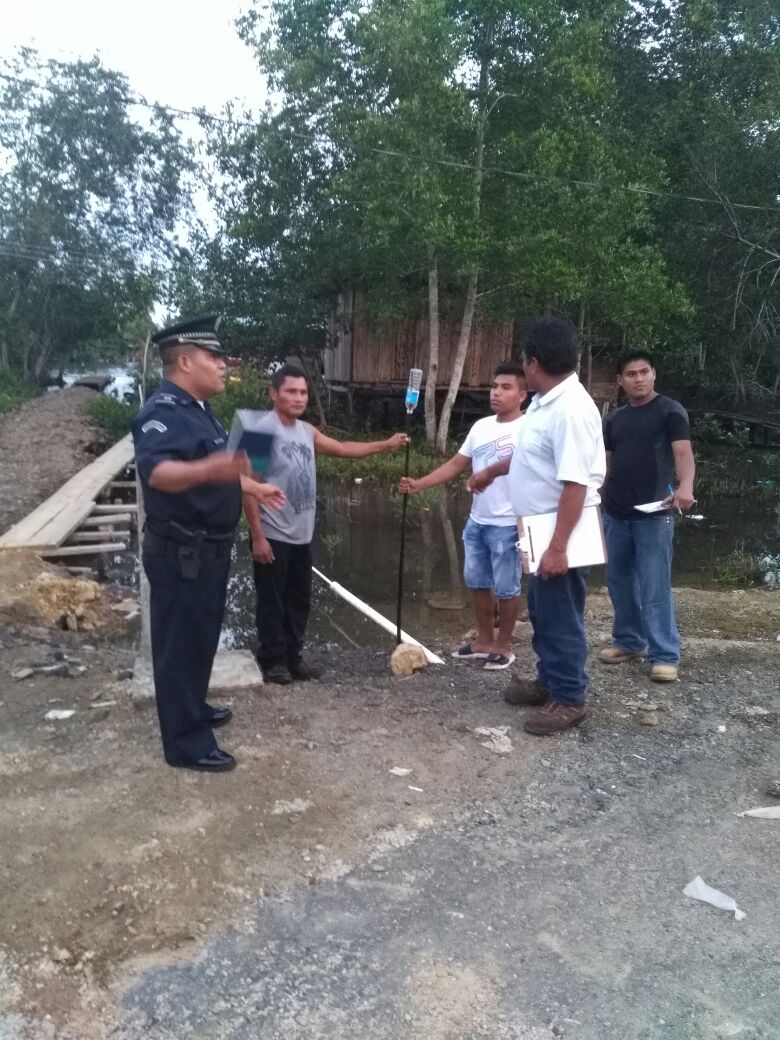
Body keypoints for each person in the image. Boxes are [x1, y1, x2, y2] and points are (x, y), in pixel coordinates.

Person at [133, 316, 285, 772]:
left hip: (207, 550)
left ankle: (192, 709)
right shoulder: (162, 411)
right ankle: (185, 744)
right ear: (184, 361)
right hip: (182, 550)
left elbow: (218, 470)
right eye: (214, 357)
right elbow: (159, 473)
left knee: (199, 640)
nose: (223, 365)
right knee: (180, 645)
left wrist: (252, 486)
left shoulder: (198, 410)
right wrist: (214, 469)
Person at [468, 316, 605, 735]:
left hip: (560, 532)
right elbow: (532, 456)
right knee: (544, 611)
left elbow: (576, 484)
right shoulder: (546, 402)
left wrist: (558, 547)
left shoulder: (572, 410)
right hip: (538, 529)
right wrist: (491, 471)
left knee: (561, 615)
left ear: (533, 364)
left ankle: (569, 697)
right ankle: (549, 681)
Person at [244, 364, 408, 684]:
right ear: (274, 393)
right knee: (272, 600)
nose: (298, 398)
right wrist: (257, 536)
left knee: (299, 598)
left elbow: (343, 449)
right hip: (273, 532)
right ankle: (273, 660)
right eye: (291, 391)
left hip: (302, 533)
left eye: (303, 392)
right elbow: (249, 487)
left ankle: (293, 657)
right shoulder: (259, 433)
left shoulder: (306, 430)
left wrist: (385, 444)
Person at [399, 362, 527, 670]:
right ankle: (484, 640)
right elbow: (456, 464)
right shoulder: (481, 426)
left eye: (506, 387)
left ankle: (504, 645)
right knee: (477, 582)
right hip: (477, 521)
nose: (497, 393)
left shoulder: (530, 429)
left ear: (522, 394)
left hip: (509, 523)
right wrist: (419, 484)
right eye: (494, 386)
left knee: (507, 588)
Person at [598, 351, 695, 682]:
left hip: (655, 513)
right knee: (619, 581)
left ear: (654, 374)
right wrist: (595, 496)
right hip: (616, 512)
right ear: (620, 381)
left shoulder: (670, 410)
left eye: (644, 371)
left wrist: (685, 487)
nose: (638, 378)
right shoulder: (615, 419)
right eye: (631, 374)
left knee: (654, 585)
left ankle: (665, 654)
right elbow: (606, 463)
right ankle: (628, 641)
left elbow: (683, 453)